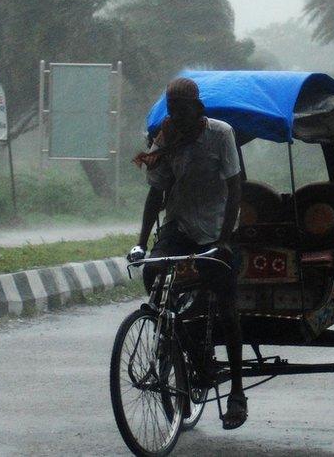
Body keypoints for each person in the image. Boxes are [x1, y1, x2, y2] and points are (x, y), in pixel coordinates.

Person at [127, 77, 247, 430]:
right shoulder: (166, 138)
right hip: (179, 226)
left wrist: (225, 239)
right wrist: (141, 241)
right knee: (152, 272)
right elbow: (156, 193)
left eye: (182, 110)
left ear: (197, 108)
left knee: (226, 304)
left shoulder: (221, 134)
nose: (176, 116)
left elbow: (235, 187)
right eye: (172, 110)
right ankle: (183, 341)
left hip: (215, 229)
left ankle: (237, 392)